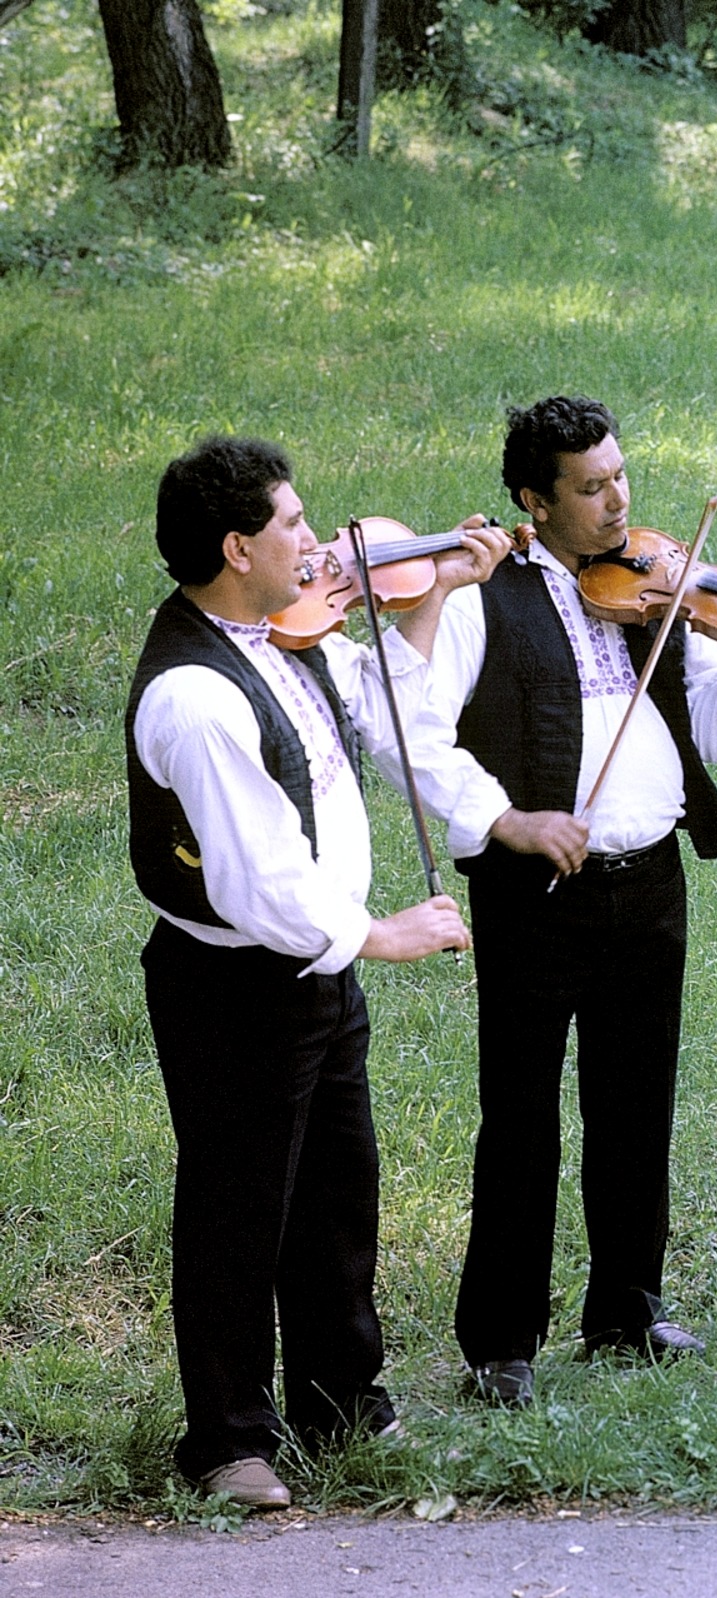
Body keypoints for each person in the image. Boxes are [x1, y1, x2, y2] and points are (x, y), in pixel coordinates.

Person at [398, 395, 717, 1406]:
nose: (616, 503)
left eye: (621, 477)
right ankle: (500, 1340)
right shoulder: (480, 599)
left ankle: (626, 1309)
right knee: (520, 1117)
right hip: (534, 888)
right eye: (590, 487)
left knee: (635, 1103)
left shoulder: (658, 592)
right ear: (531, 499)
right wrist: (506, 817)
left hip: (649, 885)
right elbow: (415, 731)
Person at [128, 435, 505, 1510]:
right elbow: (258, 880)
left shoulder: (286, 632)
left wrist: (432, 598)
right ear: (237, 544)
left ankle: (342, 1398)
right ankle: (227, 1441)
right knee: (236, 1207)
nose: (318, 537)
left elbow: (394, 712)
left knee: (338, 1191)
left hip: (313, 976)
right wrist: (382, 933)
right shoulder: (195, 696)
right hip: (236, 982)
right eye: (293, 522)